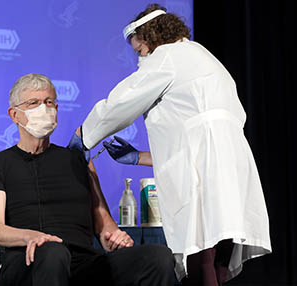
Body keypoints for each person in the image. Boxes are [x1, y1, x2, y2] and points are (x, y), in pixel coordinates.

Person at [71, 4, 272, 286]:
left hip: (205, 169)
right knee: (214, 254)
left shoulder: (167, 56)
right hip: (229, 168)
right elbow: (191, 144)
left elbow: (123, 100)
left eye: (139, 49)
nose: (139, 57)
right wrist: (137, 157)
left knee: (201, 252)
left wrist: (85, 133)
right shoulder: (201, 56)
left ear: (150, 37)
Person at [0, 73, 177, 286]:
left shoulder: (78, 160)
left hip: (83, 264)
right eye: (33, 103)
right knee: (53, 253)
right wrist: (31, 237)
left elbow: (104, 225)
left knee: (158, 257)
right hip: (29, 261)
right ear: (14, 114)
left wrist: (115, 237)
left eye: (49, 102)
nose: (43, 109)